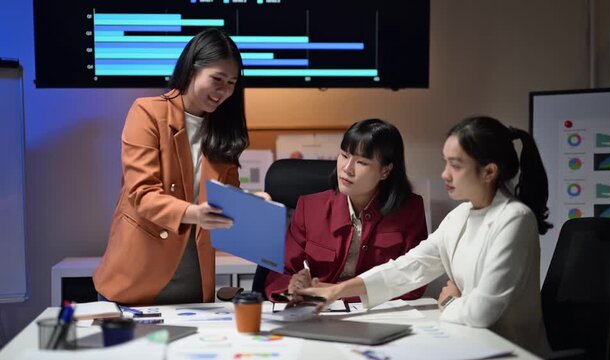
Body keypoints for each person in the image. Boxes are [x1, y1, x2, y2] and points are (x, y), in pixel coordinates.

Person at [297, 116, 553, 356]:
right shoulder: (461, 214)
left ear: (489, 172)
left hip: (509, 351)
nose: (444, 174)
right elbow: (409, 267)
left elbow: (481, 313)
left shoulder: (515, 219)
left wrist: (450, 299)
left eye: (456, 165)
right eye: (445, 162)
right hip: (469, 343)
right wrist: (337, 290)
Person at [93, 28, 250, 305]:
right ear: (192, 70)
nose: (223, 91)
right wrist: (194, 212)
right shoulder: (147, 112)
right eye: (217, 79)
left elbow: (226, 198)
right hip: (138, 270)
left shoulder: (224, 130)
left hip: (193, 272)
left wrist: (252, 204)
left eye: (231, 83)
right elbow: (142, 193)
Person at [264, 119, 428, 302]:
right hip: (317, 313)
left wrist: (339, 292)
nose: (347, 169)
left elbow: (414, 283)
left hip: (378, 314)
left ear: (385, 171)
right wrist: (293, 287)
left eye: (362, 162)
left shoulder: (410, 210)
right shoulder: (308, 207)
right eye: (344, 155)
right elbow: (278, 275)